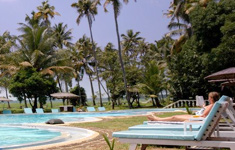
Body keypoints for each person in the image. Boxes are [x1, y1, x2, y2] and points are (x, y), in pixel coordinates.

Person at [147, 92, 220, 122]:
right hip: (197, 117)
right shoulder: (213, 105)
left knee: (174, 117)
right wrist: (203, 106)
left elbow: (203, 115)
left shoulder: (212, 105)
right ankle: (157, 119)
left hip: (198, 118)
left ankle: (157, 119)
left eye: (209, 97)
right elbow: (206, 112)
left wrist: (193, 117)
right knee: (176, 116)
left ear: (211, 98)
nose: (208, 98)